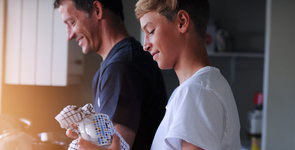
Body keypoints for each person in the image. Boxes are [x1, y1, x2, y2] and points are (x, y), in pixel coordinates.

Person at [53, 0, 168, 150]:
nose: (69, 35)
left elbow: (113, 146)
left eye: (72, 22)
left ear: (97, 10)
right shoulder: (114, 66)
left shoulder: (121, 67)